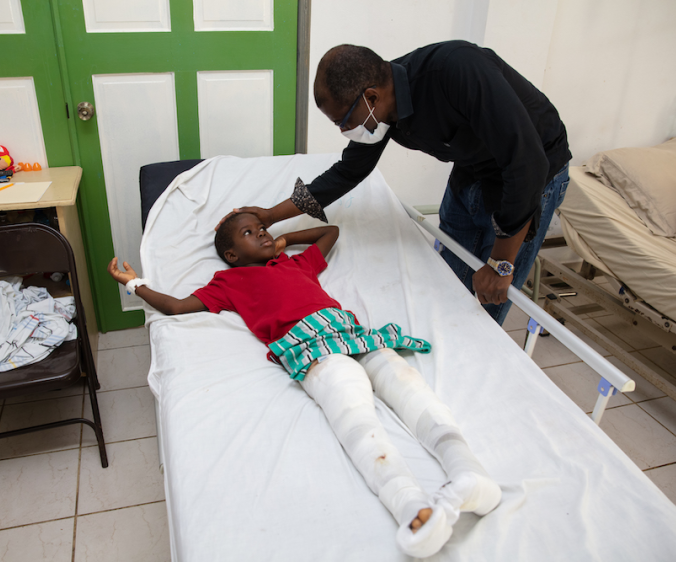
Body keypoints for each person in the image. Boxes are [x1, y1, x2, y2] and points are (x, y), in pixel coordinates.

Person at [108, 212, 502, 558]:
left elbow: (329, 232)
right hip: (311, 347)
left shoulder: (294, 264)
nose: (262, 234)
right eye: (250, 233)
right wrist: (133, 283)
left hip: (351, 332)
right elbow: (176, 307)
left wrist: (286, 238)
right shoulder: (228, 282)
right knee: (354, 416)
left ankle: (469, 472)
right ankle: (411, 507)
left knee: (411, 389)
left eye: (262, 228)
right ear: (231, 254)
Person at [222, 41, 572, 325]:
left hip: (531, 178)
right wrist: (270, 215)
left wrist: (500, 265)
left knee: (486, 299)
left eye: (344, 121)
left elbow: (526, 164)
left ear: (371, 97)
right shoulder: (382, 106)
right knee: (448, 282)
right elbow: (348, 171)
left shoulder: (456, 70)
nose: (345, 132)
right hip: (472, 171)